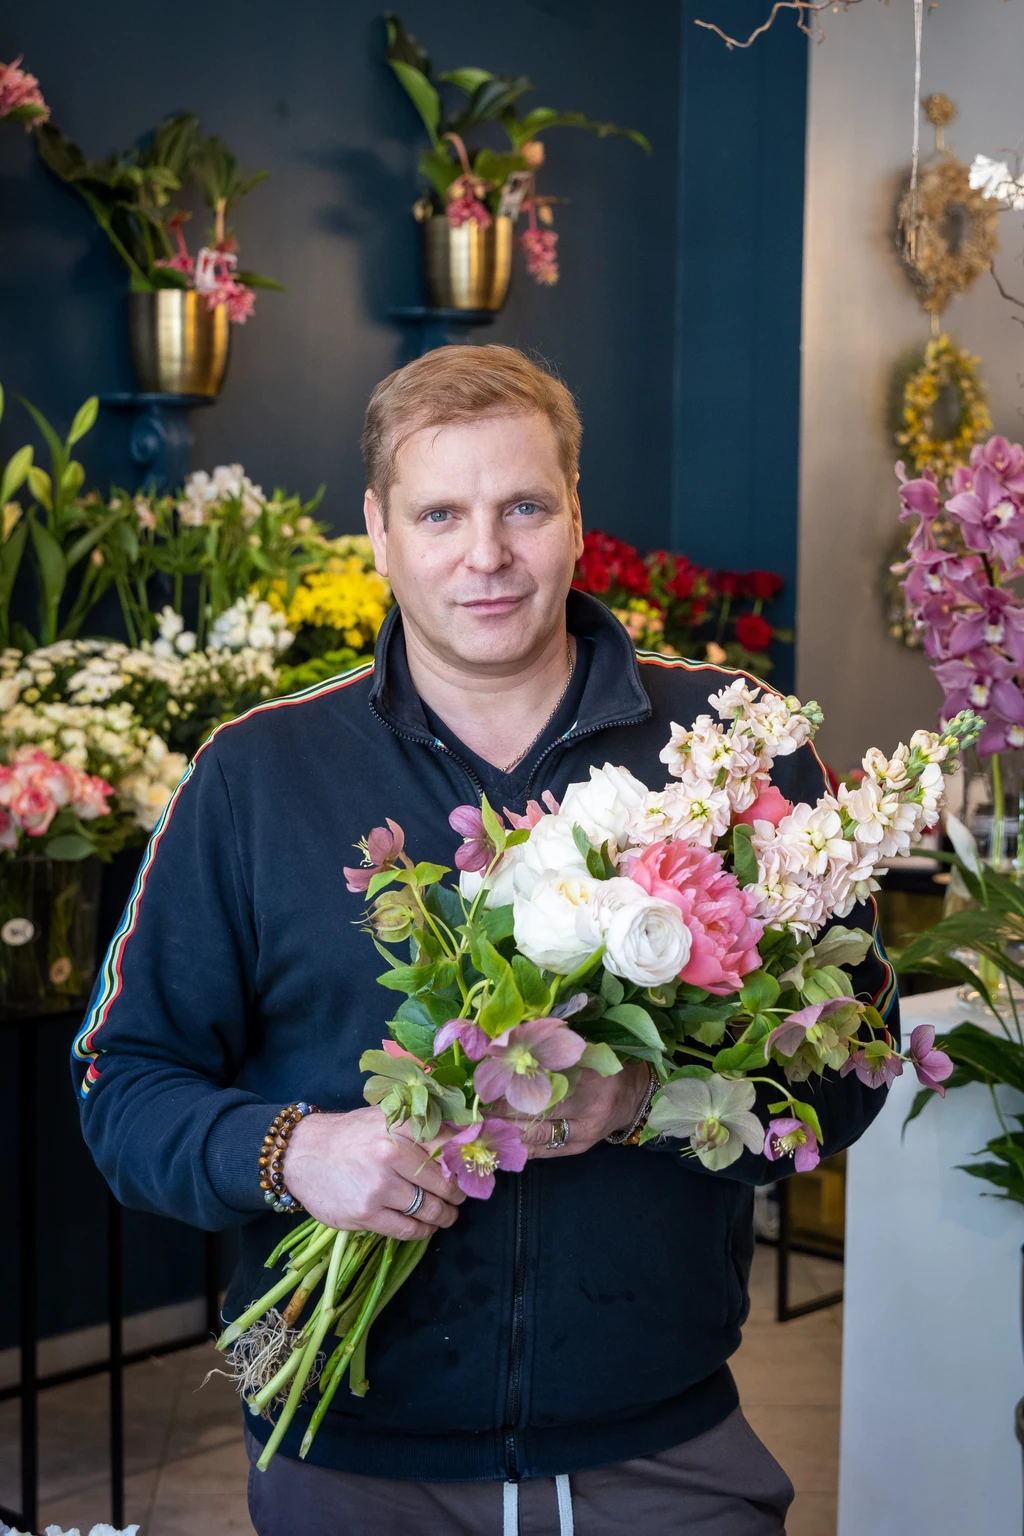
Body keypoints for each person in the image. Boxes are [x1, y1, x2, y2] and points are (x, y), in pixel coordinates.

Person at [72, 345, 897, 1536]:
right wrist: (291, 1151)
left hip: (663, 1442)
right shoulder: (254, 774)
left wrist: (649, 1100)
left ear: (576, 514)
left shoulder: (734, 750)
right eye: (440, 512)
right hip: (344, 1454)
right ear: (378, 529)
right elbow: (120, 1084)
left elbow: (854, 1063)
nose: (486, 555)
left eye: (522, 506)